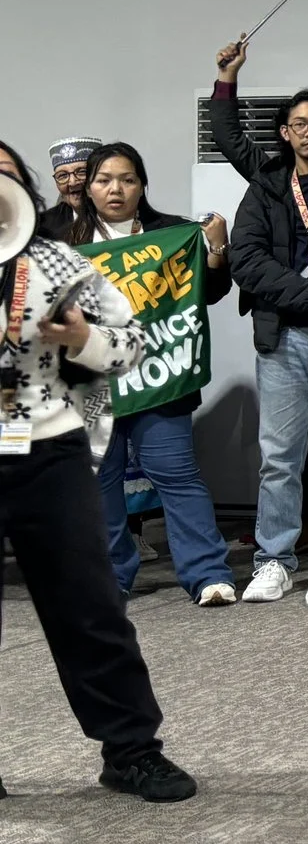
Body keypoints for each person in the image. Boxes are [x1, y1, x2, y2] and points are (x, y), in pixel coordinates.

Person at [0, 151, 196, 801]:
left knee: (87, 605)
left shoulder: (59, 261)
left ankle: (131, 749)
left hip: (46, 449)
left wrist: (83, 338)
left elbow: (133, 342)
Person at [212, 37, 308, 605]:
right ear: (286, 133)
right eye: (301, 123)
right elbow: (246, 262)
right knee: (281, 457)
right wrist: (227, 78)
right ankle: (274, 559)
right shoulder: (268, 185)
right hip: (286, 336)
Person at [71, 143, 238, 605]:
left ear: (142, 185)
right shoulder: (64, 244)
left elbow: (212, 291)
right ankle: (111, 579)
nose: (116, 189)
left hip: (160, 380)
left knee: (177, 474)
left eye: (127, 179)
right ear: (88, 188)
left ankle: (207, 575)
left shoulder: (171, 233)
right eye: (104, 180)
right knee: (98, 484)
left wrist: (217, 247)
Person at [39, 136, 103, 241]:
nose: (72, 182)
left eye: (82, 172)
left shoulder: (129, 216)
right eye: (62, 175)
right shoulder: (44, 228)